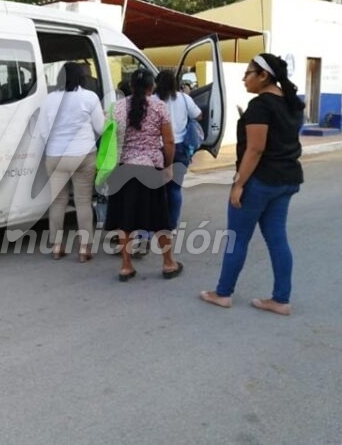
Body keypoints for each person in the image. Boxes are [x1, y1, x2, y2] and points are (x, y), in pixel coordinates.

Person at [200, 54, 304, 315]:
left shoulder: (260, 105)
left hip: (260, 181)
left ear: (263, 76)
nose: (244, 78)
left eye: (248, 73)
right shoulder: (292, 103)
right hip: (286, 179)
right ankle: (281, 299)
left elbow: (255, 149)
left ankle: (223, 293)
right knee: (278, 239)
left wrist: (238, 185)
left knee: (237, 239)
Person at [103, 68, 182, 281]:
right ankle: (168, 263)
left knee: (125, 220)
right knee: (160, 219)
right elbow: (169, 141)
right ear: (151, 87)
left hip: (122, 169)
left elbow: (108, 138)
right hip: (150, 169)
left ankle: (126, 266)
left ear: (130, 86)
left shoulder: (116, 108)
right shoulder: (159, 107)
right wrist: (168, 166)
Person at [38, 62, 105, 262]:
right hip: (83, 155)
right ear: (82, 77)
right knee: (83, 201)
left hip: (55, 156)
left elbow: (42, 131)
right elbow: (101, 128)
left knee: (58, 202)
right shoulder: (89, 97)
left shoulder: (49, 99)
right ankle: (84, 249)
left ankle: (57, 247)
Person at [154, 69, 202, 230]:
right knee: (175, 189)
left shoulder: (152, 100)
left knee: (157, 190)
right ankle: (171, 227)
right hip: (181, 148)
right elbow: (199, 115)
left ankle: (156, 223)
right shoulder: (184, 98)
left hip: (158, 148)